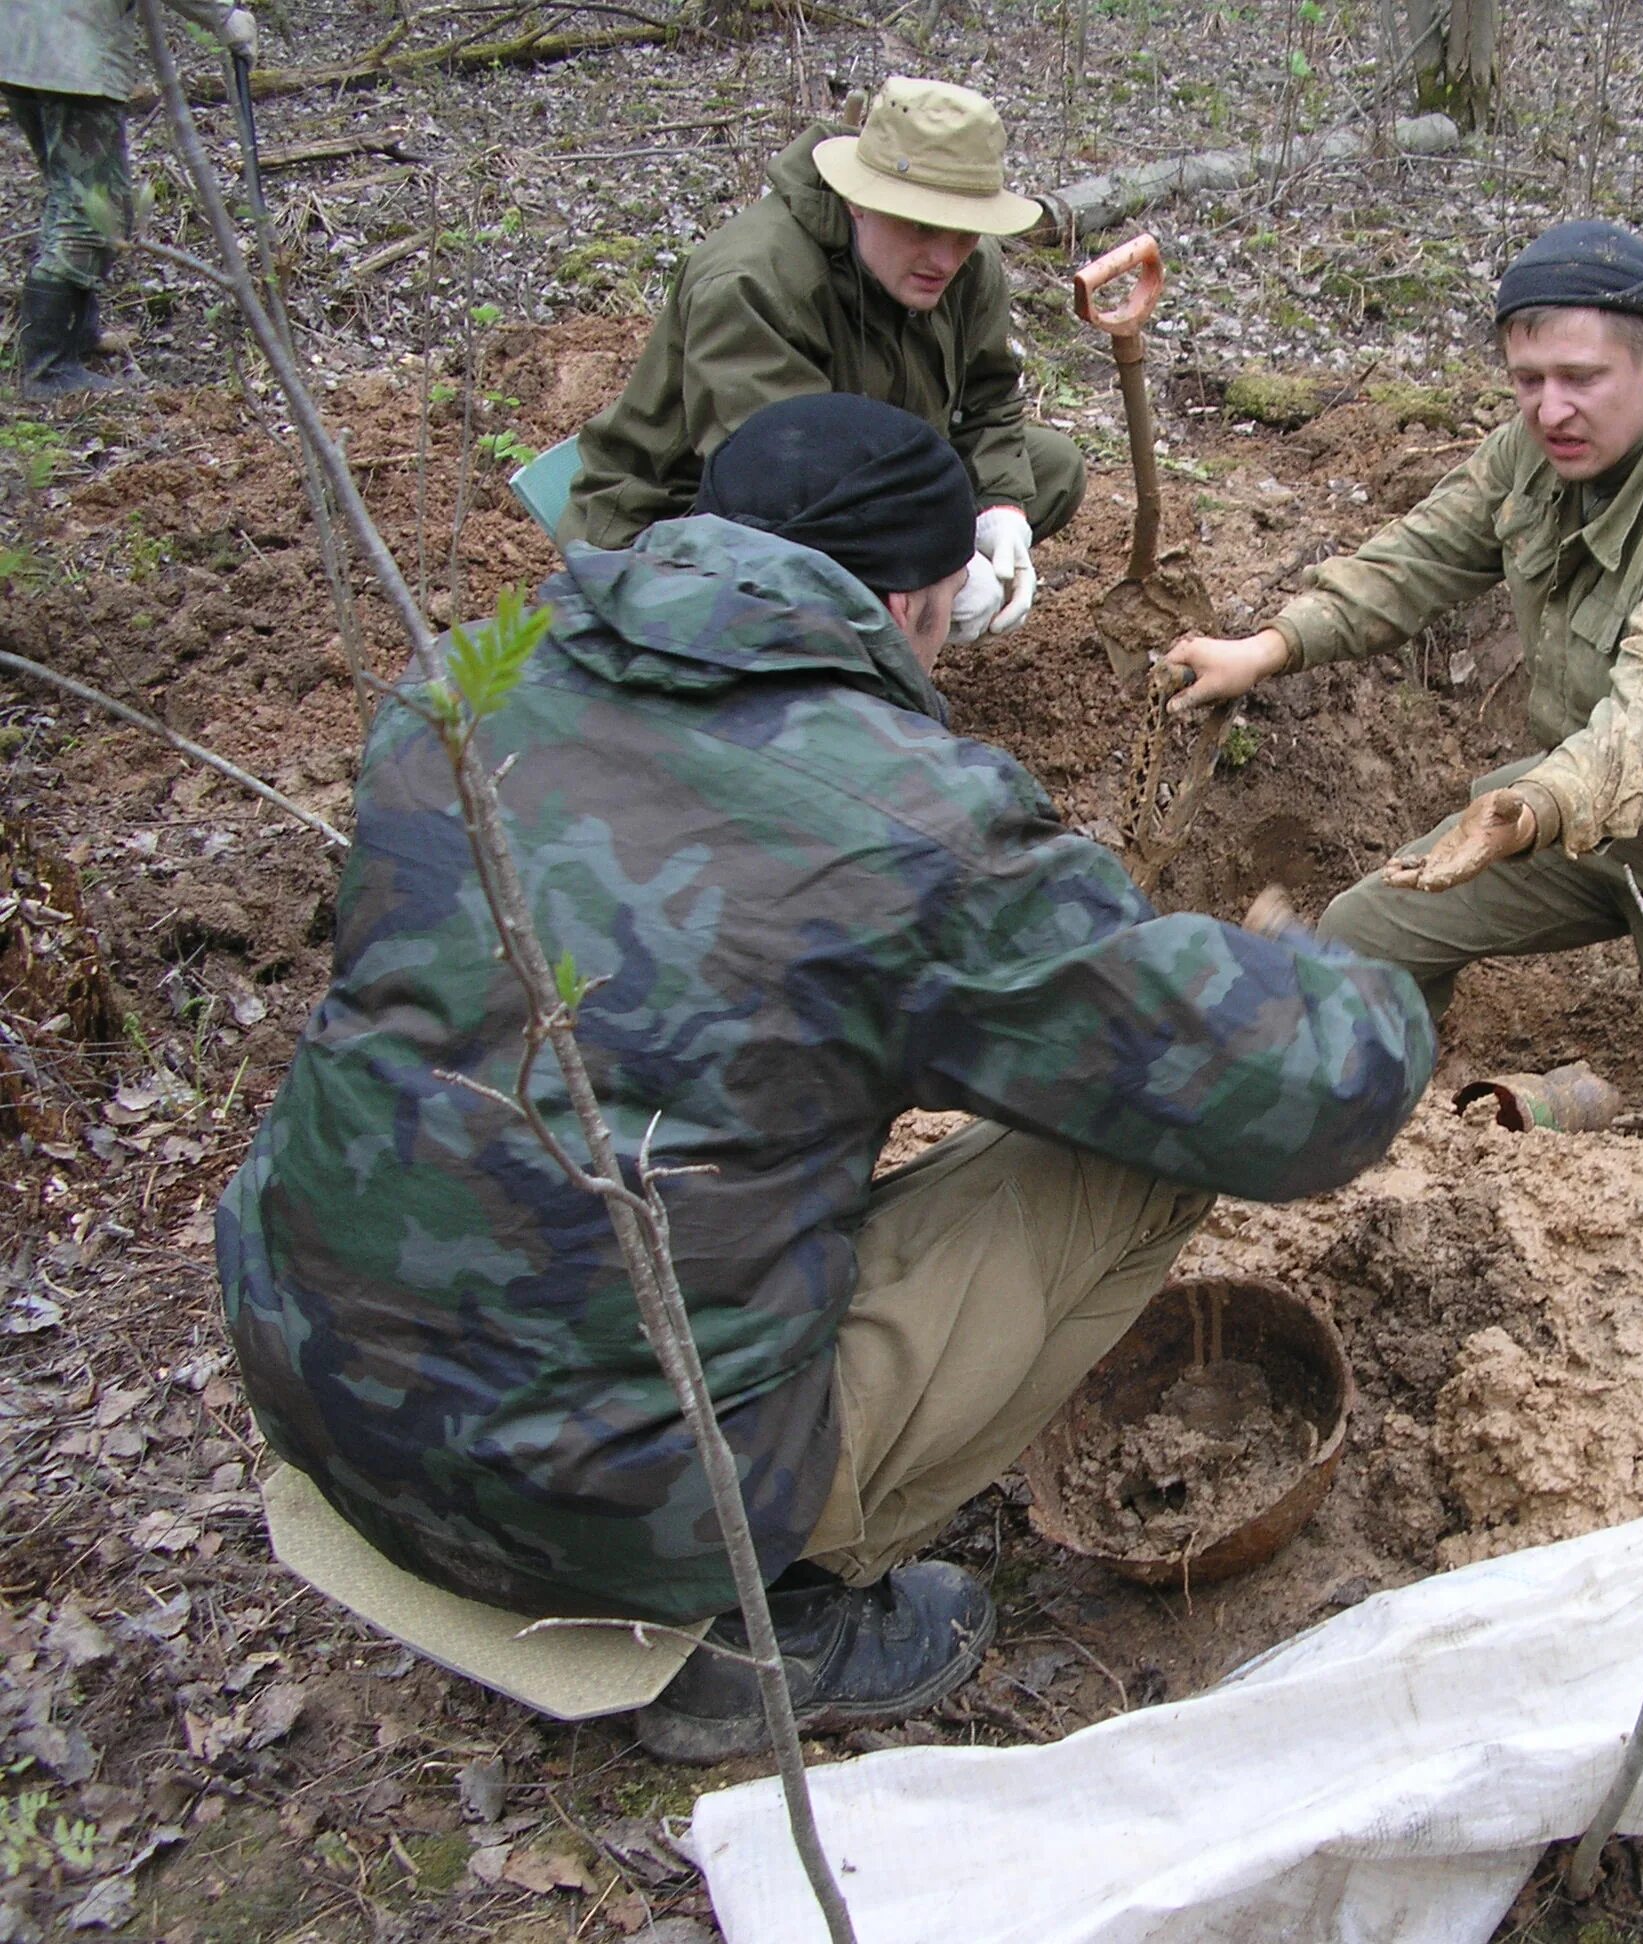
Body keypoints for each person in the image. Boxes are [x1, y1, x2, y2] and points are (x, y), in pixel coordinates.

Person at [217, 395, 1433, 1760]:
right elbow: (1290, 1092)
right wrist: (1365, 979)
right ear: (919, 601)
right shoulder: (906, 821)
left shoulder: (459, 683)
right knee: (1143, 1149)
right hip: (613, 1513)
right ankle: (766, 1621)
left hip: (311, 1380)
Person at [1166, 221, 1643, 1105]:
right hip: (1578, 823)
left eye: (1580, 379)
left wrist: (1530, 809)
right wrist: (1269, 648)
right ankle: (1383, 1125)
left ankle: (1568, 1116)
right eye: (1527, 381)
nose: (1549, 410)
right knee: (1368, 935)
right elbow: (1422, 555)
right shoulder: (1542, 449)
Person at [563, 75, 1079, 642]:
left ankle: (878, 630)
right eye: (923, 225)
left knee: (1049, 468)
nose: (945, 257)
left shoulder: (966, 261)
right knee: (794, 571)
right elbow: (783, 486)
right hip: (692, 511)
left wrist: (1000, 507)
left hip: (862, 466)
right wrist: (944, 561)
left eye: (964, 232)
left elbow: (989, 396)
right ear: (859, 200)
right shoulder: (754, 281)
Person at [2, 0, 257, 397]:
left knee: (68, 194)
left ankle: (76, 335)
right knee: (90, 212)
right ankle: (48, 368)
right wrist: (222, 15)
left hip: (20, 44)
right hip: (71, 51)